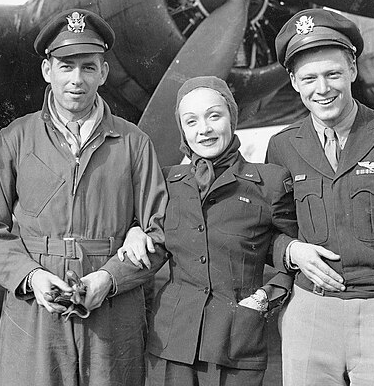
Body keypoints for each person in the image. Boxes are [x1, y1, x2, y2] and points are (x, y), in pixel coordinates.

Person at [0, 9, 168, 386]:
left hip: (112, 311)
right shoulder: (15, 139)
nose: (77, 79)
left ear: (104, 73)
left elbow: (161, 233)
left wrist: (110, 278)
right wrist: (31, 276)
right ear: (47, 71)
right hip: (35, 310)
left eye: (88, 67)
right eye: (66, 66)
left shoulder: (134, 143)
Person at [119, 76, 298, 386]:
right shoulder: (167, 182)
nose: (204, 129)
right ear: (183, 131)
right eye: (191, 121)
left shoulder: (269, 183)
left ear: (232, 117)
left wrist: (268, 296)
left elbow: (292, 254)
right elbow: (153, 236)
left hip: (235, 342)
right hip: (171, 343)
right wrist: (135, 231)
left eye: (214, 115)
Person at [267, 8, 374, 386]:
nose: (323, 88)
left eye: (332, 74)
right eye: (309, 78)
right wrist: (291, 252)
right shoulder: (283, 146)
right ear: (295, 83)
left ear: (353, 70)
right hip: (311, 310)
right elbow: (271, 230)